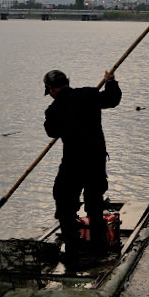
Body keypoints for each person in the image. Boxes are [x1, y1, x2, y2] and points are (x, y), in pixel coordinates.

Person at [42, 67, 122, 261]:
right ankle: (99, 246)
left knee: (64, 200)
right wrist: (110, 80)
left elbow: (51, 132)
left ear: (52, 89)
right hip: (95, 160)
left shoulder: (53, 109)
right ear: (67, 82)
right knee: (94, 203)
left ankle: (73, 245)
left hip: (73, 162)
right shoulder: (89, 93)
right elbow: (112, 99)